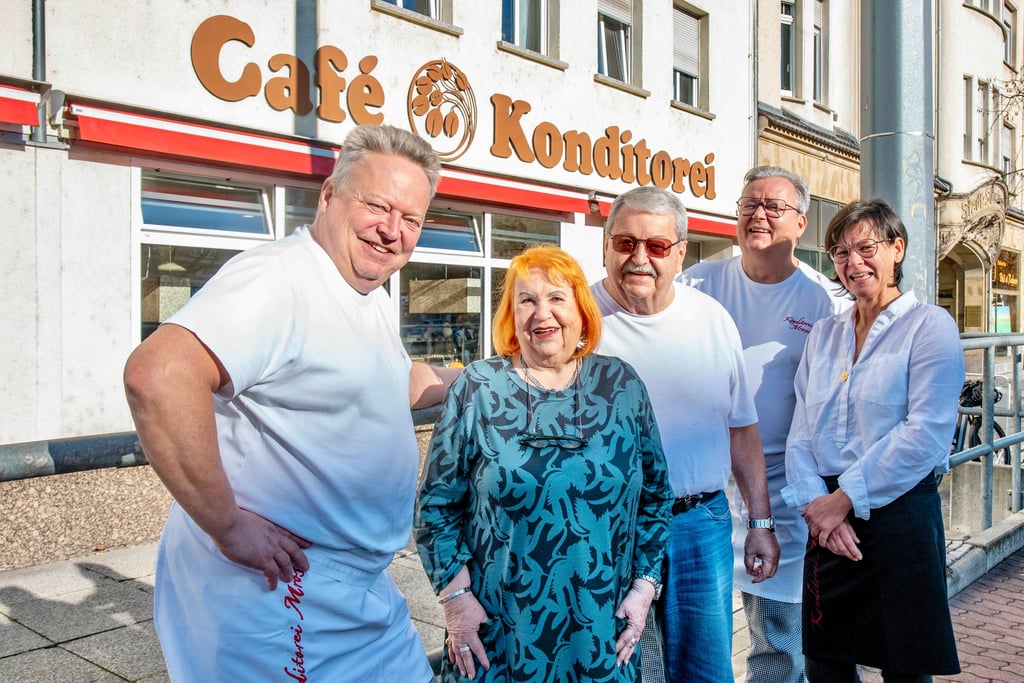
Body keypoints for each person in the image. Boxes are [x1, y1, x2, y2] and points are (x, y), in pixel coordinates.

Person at [123, 124, 460, 681]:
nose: (391, 231)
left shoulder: (361, 291)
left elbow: (388, 382)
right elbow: (157, 376)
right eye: (377, 205)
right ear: (329, 195)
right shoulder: (280, 279)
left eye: (411, 219)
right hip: (283, 591)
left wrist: (490, 376)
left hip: (356, 594)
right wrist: (228, 526)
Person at [415, 245, 674, 682]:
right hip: (496, 633)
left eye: (556, 298)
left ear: (581, 310)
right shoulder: (479, 388)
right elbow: (436, 507)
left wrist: (645, 588)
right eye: (527, 300)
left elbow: (656, 495)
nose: (542, 313)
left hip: (599, 632)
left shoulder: (623, 385)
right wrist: (455, 599)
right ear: (511, 315)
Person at [592, 186, 781, 683]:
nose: (639, 258)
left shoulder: (712, 320)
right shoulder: (579, 320)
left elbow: (742, 432)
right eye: (625, 242)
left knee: (705, 670)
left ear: (679, 252)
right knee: (612, 666)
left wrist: (760, 521)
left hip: (699, 522)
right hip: (610, 527)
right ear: (606, 243)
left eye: (656, 247)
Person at [782, 199, 963, 681]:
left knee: (904, 665)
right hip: (827, 515)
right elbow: (801, 430)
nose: (853, 263)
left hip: (899, 511)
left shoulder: (930, 326)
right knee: (825, 660)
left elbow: (925, 434)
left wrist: (843, 499)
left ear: (897, 249)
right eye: (840, 253)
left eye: (866, 248)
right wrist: (819, 506)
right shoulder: (823, 334)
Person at [680, 166, 848, 683]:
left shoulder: (823, 302)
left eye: (774, 207)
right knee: (690, 634)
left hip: (780, 490)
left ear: (800, 221)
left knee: (776, 638)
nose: (759, 215)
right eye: (749, 204)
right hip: (700, 488)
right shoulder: (697, 283)